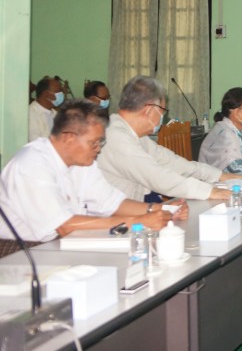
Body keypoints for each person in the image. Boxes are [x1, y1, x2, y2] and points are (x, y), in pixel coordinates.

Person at [0, 100, 188, 254]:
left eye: (101, 142)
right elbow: (65, 225)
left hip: (64, 240)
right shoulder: (32, 165)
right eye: (94, 142)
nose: (99, 149)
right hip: (22, 251)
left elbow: (112, 203)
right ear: (69, 138)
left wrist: (164, 209)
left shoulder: (81, 162)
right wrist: (138, 221)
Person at [97, 76, 237, 202]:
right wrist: (209, 191)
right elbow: (157, 176)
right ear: (149, 110)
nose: (162, 117)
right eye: (162, 111)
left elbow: (171, 162)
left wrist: (219, 176)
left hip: (135, 207)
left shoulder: (134, 134)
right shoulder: (115, 136)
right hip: (115, 216)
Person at [29, 76, 64, 141]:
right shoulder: (31, 114)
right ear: (46, 94)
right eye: (58, 91)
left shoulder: (55, 114)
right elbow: (35, 142)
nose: (61, 94)